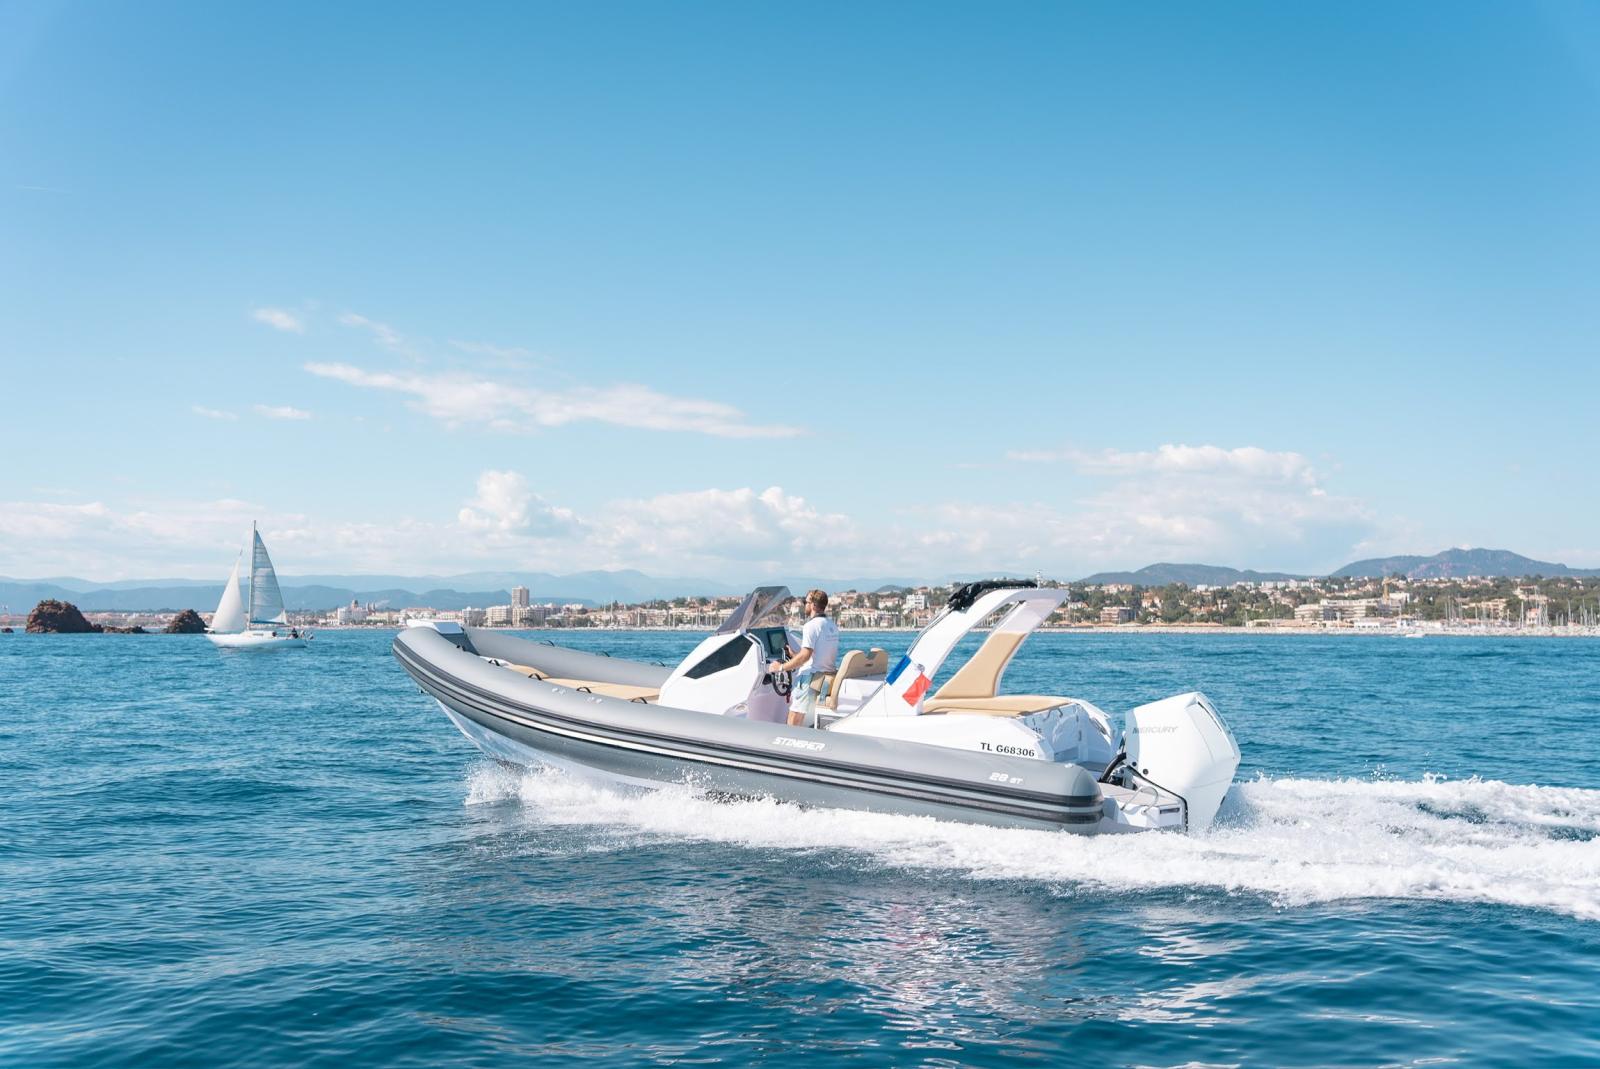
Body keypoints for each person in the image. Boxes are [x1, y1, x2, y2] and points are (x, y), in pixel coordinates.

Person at [767, 589, 839, 727]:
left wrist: (780, 667)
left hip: (809, 678)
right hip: (824, 679)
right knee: (805, 721)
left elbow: (805, 656)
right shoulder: (831, 626)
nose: (805, 605)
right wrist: (795, 655)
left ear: (813, 605)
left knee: (793, 721)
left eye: (806, 602)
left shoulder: (811, 626)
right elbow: (816, 655)